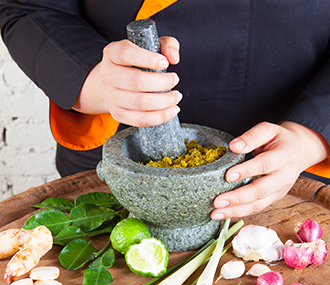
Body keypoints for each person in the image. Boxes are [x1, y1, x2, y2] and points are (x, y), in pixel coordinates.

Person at [1, 0, 330, 220]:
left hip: (293, 167)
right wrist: (92, 78)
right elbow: (30, 7)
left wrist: (309, 135)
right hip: (119, 162)